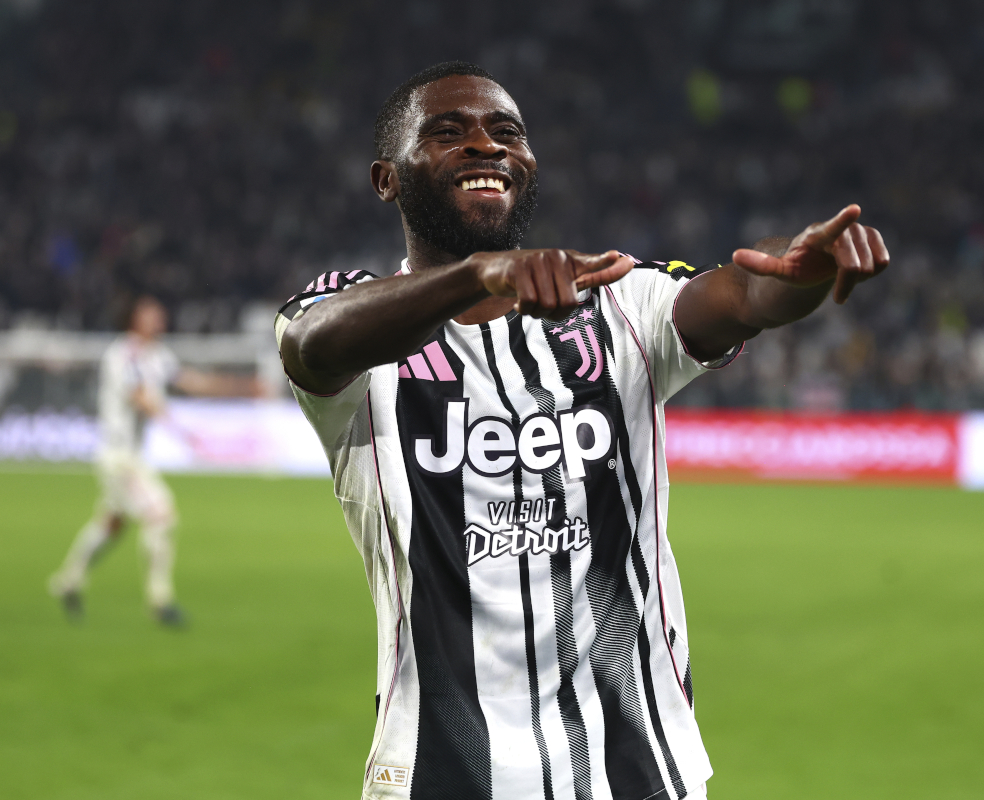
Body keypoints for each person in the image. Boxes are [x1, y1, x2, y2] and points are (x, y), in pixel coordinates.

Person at [275, 62, 889, 799]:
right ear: (387, 179)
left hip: (636, 770)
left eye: (507, 133)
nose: (485, 146)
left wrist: (801, 277)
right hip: (440, 772)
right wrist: (479, 276)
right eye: (449, 132)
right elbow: (310, 345)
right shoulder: (354, 325)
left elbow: (740, 296)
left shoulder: (621, 301)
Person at [49, 295, 257, 626]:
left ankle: (67, 581)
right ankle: (160, 601)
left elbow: (189, 381)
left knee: (111, 525)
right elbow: (140, 397)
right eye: (151, 313)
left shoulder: (157, 355)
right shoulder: (125, 353)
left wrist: (240, 387)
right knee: (161, 515)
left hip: (126, 455)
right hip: (120, 457)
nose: (159, 317)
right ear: (135, 319)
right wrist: (180, 431)